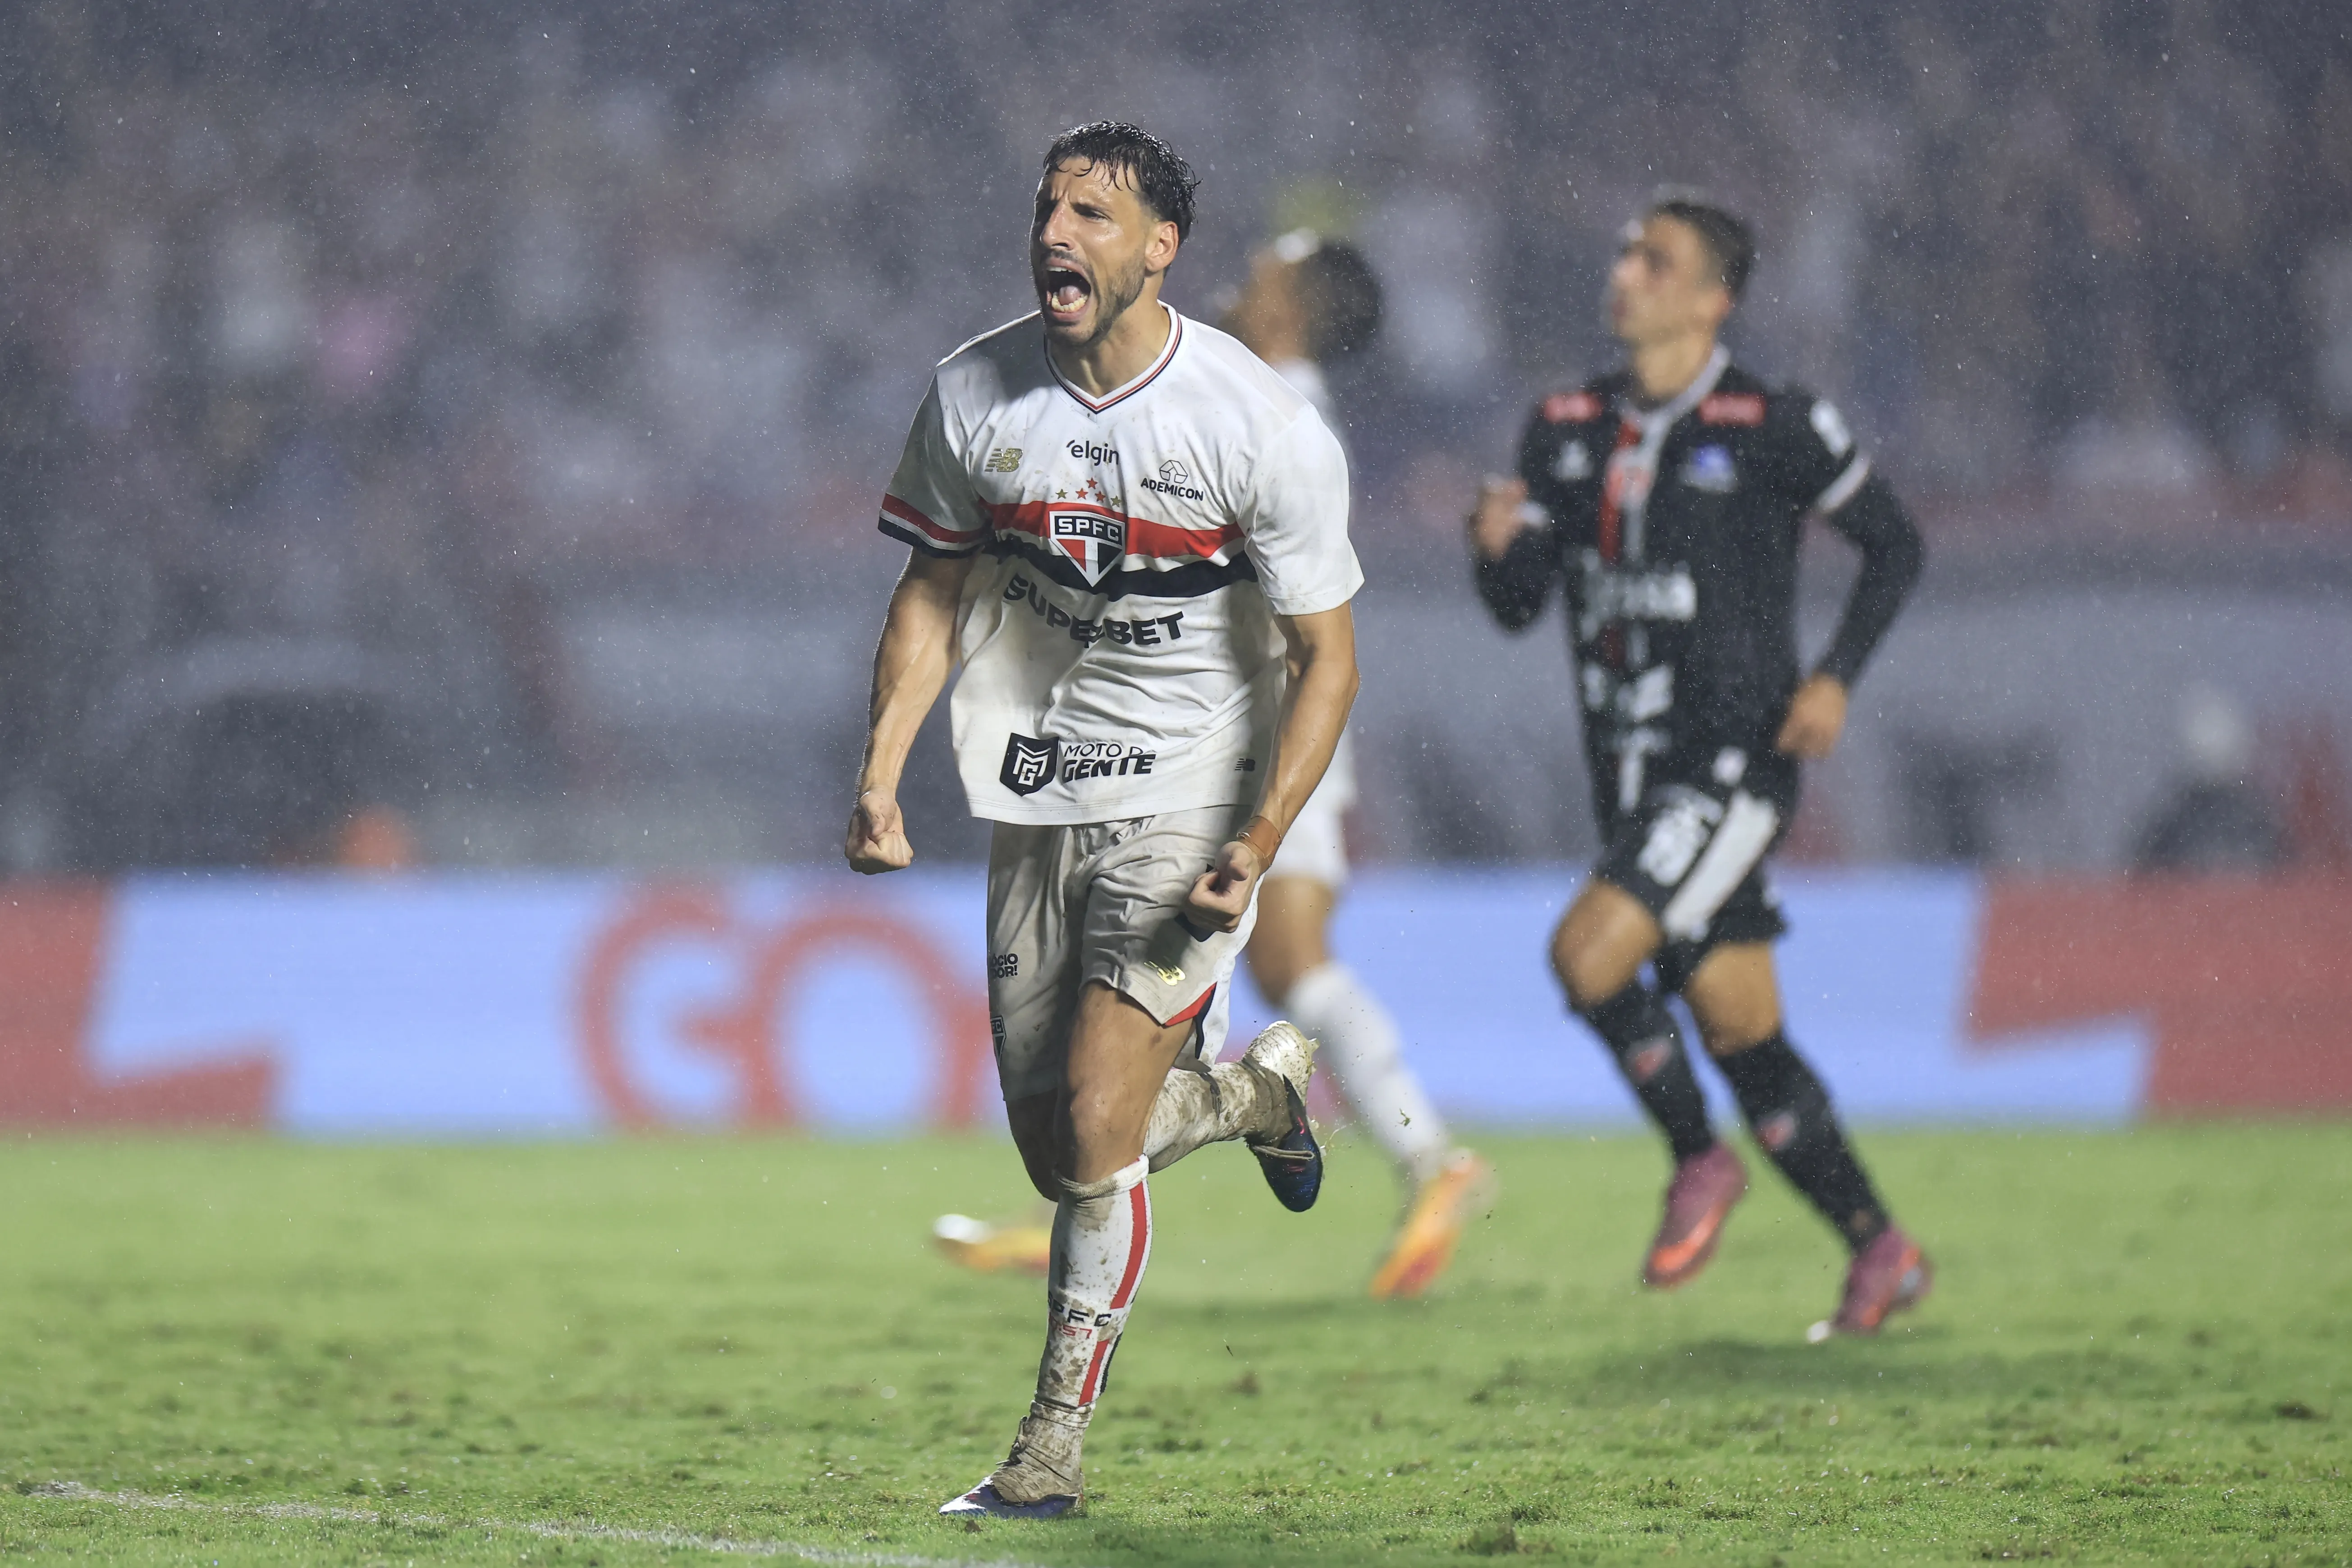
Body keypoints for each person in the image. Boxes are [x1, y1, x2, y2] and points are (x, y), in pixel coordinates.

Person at [847, 123, 1363, 1518]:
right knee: (1060, 1146)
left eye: (1092, 213)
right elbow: (929, 592)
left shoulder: (1254, 422)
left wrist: (1259, 836)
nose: (1056, 233)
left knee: (1094, 1116)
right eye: (1048, 208)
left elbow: (1327, 657)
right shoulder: (975, 392)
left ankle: (1049, 1448)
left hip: (1194, 788)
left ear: (1160, 249)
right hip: (1038, 785)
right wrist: (881, 770)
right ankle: (1252, 1094)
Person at [1466, 191, 1931, 1340]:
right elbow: (1520, 605)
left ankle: (1695, 1159)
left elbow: (1892, 543)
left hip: (1728, 762)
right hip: (1625, 773)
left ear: (1713, 298)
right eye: (1625, 253)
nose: (1624, 272)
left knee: (1586, 956)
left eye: (1654, 260)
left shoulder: (1773, 421)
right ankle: (1881, 1247)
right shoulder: (1564, 425)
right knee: (1737, 1026)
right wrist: (1492, 552)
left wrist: (1833, 678)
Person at [1220, 229, 1493, 1299]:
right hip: (1260, 717)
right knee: (1280, 969)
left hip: (1258, 723)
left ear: (1291, 309)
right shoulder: (1271, 400)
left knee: (1204, 957)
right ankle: (1431, 1157)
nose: (1238, 281)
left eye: (1262, 273)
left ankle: (1082, 1199)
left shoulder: (1271, 411)